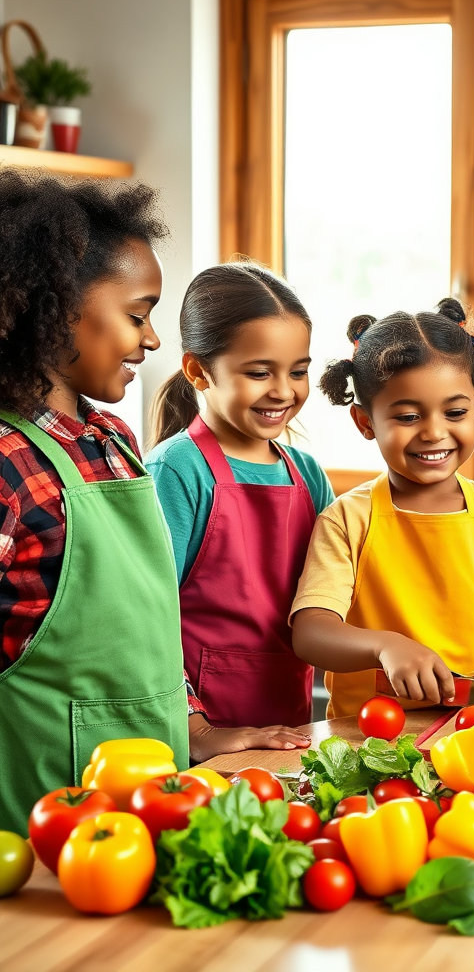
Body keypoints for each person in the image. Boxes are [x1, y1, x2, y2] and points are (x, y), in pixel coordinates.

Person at [0, 170, 188, 833]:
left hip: (157, 791)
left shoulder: (113, 440)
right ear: (53, 303)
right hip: (43, 830)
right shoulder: (6, 462)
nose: (154, 338)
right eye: (137, 315)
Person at [290, 297, 474, 716]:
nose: (434, 433)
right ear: (366, 423)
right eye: (406, 417)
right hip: (368, 737)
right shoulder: (348, 519)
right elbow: (311, 633)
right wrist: (386, 646)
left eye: (454, 412)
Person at [146, 263, 334, 761]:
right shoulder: (176, 470)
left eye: (298, 371)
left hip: (286, 729)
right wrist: (198, 732)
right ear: (197, 371)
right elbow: (145, 618)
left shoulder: (308, 474)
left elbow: (337, 589)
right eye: (259, 372)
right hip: (197, 739)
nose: (284, 390)